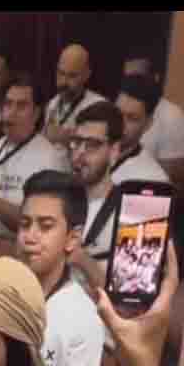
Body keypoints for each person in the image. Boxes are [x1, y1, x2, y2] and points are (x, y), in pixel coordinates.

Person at [17, 170, 104, 366]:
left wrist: (18, 358)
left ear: (71, 239)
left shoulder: (82, 314)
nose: (30, 237)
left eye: (45, 226)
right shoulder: (7, 290)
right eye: (25, 224)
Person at [0, 72, 69, 237]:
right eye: (8, 104)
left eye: (21, 106)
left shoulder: (50, 158)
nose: (11, 112)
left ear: (36, 113)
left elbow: (31, 224)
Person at [66, 100, 127, 290]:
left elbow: (126, 293)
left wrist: (82, 259)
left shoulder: (130, 213)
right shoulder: (57, 199)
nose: (79, 153)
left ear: (114, 151)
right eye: (76, 142)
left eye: (92, 145)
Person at [121, 49, 184, 182]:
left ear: (156, 78)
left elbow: (172, 177)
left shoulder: (172, 117)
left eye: (138, 77)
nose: (132, 83)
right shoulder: (115, 108)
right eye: (128, 78)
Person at [112, 74, 172, 184]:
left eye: (131, 118)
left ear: (148, 124)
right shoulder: (87, 155)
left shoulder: (152, 179)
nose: (120, 124)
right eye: (117, 113)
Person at [43, 45, 107, 146]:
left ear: (87, 75)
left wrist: (68, 138)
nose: (64, 81)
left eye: (72, 76)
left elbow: (100, 146)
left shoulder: (99, 107)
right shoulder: (52, 103)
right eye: (61, 73)